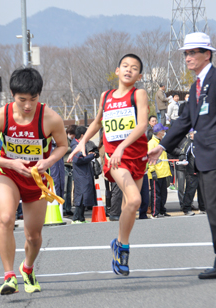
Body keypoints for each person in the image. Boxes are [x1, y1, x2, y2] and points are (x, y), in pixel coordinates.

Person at [148, 32, 216, 279]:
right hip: (204, 155)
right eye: (186, 53)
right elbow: (184, 120)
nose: (188, 57)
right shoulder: (197, 85)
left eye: (192, 52)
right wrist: (163, 145)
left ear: (206, 54)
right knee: (212, 206)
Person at [0, 67, 67, 295]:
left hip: (37, 179)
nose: (28, 105)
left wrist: (48, 162)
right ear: (12, 94)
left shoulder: (50, 118)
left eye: (33, 99)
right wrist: (10, 163)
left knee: (33, 235)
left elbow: (63, 146)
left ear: (39, 95)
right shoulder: (1, 116)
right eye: (22, 100)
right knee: (6, 218)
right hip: (9, 173)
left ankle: (27, 268)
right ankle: (9, 276)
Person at [68, 53, 149, 277]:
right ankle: (124, 249)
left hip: (137, 157)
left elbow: (142, 125)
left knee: (128, 207)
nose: (128, 70)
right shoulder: (107, 96)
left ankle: (119, 243)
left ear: (139, 75)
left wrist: (125, 145)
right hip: (115, 157)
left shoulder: (138, 94)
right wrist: (81, 142)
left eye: (134, 68)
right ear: (117, 70)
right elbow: (97, 122)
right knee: (134, 199)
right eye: (125, 66)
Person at [70, 126, 98, 224]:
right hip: (81, 174)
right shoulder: (75, 145)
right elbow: (78, 159)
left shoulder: (79, 143)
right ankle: (76, 218)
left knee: (84, 196)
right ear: (82, 135)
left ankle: (81, 218)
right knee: (81, 196)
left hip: (84, 173)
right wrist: (91, 155)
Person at [147, 123, 171, 218]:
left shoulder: (161, 142)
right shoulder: (152, 143)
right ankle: (155, 212)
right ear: (160, 132)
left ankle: (162, 210)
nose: (164, 132)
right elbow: (150, 158)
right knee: (156, 195)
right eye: (163, 131)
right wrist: (152, 171)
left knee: (163, 194)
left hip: (163, 172)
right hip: (156, 172)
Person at [63, 125, 77, 217]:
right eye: (73, 135)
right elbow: (62, 148)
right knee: (64, 189)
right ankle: (63, 208)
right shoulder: (63, 137)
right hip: (64, 164)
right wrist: (73, 148)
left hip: (70, 165)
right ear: (70, 133)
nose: (74, 137)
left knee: (69, 189)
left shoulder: (72, 140)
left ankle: (68, 208)